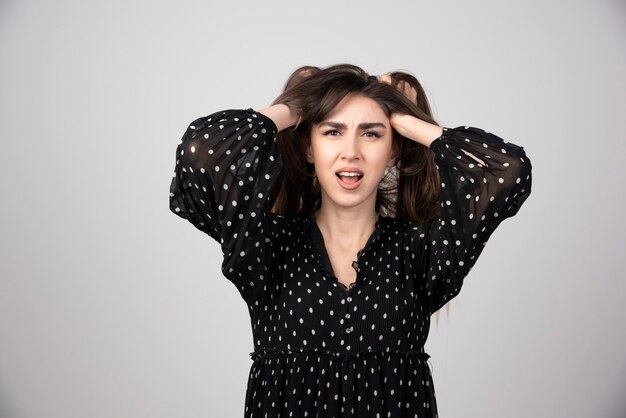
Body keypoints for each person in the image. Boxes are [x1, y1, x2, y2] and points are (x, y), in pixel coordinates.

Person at [169, 64, 532, 417]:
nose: (351, 152)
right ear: (309, 148)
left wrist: (404, 118)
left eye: (371, 134)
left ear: (394, 152)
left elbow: (507, 170)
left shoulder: (421, 251)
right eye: (332, 132)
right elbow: (201, 152)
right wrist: (301, 105)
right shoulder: (267, 245)